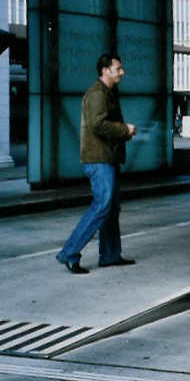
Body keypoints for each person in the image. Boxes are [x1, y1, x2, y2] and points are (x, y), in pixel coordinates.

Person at [56, 53, 138, 274]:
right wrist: (124, 129)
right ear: (105, 71)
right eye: (118, 68)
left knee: (111, 208)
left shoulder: (108, 93)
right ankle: (69, 253)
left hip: (107, 157)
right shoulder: (97, 94)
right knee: (103, 205)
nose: (122, 72)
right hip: (99, 159)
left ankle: (110, 255)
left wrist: (123, 133)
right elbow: (98, 125)